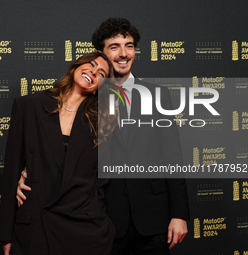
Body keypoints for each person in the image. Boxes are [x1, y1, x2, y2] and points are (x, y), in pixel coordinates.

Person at [17, 18, 190, 255]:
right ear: (101, 53)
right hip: (103, 218)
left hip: (154, 217)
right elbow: (61, 152)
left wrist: (179, 214)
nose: (123, 53)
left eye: (129, 46)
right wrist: (29, 175)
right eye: (114, 46)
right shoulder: (84, 100)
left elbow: (173, 157)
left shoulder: (158, 95)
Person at [0, 51, 116, 255]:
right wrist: (5, 234)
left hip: (84, 232)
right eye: (91, 64)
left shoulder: (104, 122)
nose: (94, 72)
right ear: (76, 66)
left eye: (102, 74)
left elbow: (102, 183)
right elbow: (11, 173)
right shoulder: (28, 106)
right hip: (36, 230)